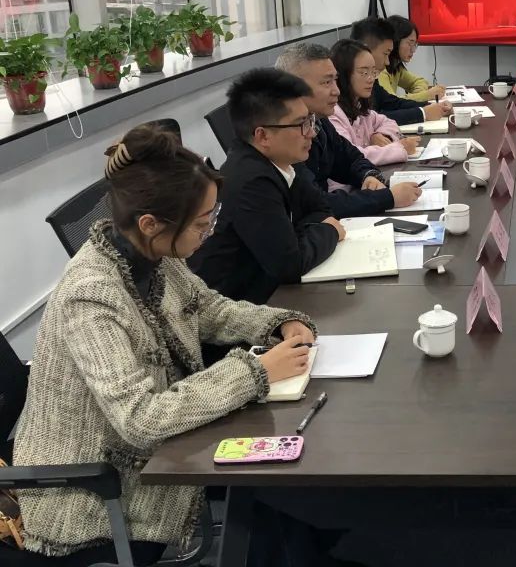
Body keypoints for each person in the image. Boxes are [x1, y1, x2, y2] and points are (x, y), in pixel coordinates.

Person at [14, 123, 317, 565]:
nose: (209, 233)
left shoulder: (152, 254)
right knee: (269, 477)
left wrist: (278, 322)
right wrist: (255, 371)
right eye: (202, 224)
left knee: (276, 474)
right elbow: (141, 419)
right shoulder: (91, 297)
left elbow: (208, 309)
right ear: (150, 223)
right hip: (97, 494)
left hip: (153, 451)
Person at [189, 68, 346, 303]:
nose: (311, 133)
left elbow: (320, 208)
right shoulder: (250, 180)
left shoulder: (282, 161)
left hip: (269, 291)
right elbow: (290, 265)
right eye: (301, 124)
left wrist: (302, 235)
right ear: (263, 136)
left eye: (310, 120)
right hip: (234, 307)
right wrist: (330, 231)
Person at [275, 42, 420, 214]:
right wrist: (388, 198)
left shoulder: (319, 122)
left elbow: (351, 158)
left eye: (335, 81)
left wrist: (368, 175)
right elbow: (315, 202)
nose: (336, 90)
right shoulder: (284, 136)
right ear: (293, 88)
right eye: (326, 82)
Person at [329, 39, 421, 165]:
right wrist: (399, 148)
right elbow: (351, 156)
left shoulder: (360, 108)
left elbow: (388, 122)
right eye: (364, 72)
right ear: (343, 74)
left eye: (373, 72)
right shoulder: (333, 114)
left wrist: (380, 135)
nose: (371, 79)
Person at [350, 17, 452, 125]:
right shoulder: (350, 84)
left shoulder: (373, 78)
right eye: (385, 54)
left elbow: (392, 102)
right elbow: (373, 118)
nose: (387, 62)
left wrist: (433, 107)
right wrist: (423, 113)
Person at [383, 15, 445, 101]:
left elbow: (420, 81)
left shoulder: (396, 66)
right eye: (410, 43)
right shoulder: (380, 69)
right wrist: (427, 95)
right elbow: (391, 102)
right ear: (395, 41)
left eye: (415, 44)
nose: (413, 50)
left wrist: (418, 95)